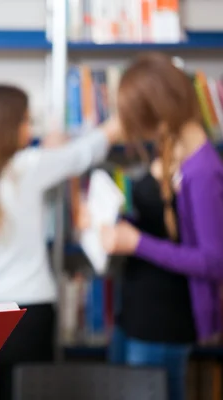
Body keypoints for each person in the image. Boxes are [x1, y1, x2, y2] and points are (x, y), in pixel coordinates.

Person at [0, 84, 122, 400]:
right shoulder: (28, 166)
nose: (31, 128)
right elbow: (84, 153)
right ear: (10, 126)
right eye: (27, 120)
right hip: (30, 312)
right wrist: (116, 125)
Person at [101, 52, 223, 400]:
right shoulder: (172, 148)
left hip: (165, 322)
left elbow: (214, 262)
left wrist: (136, 242)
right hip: (137, 312)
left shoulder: (204, 171)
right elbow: (169, 225)